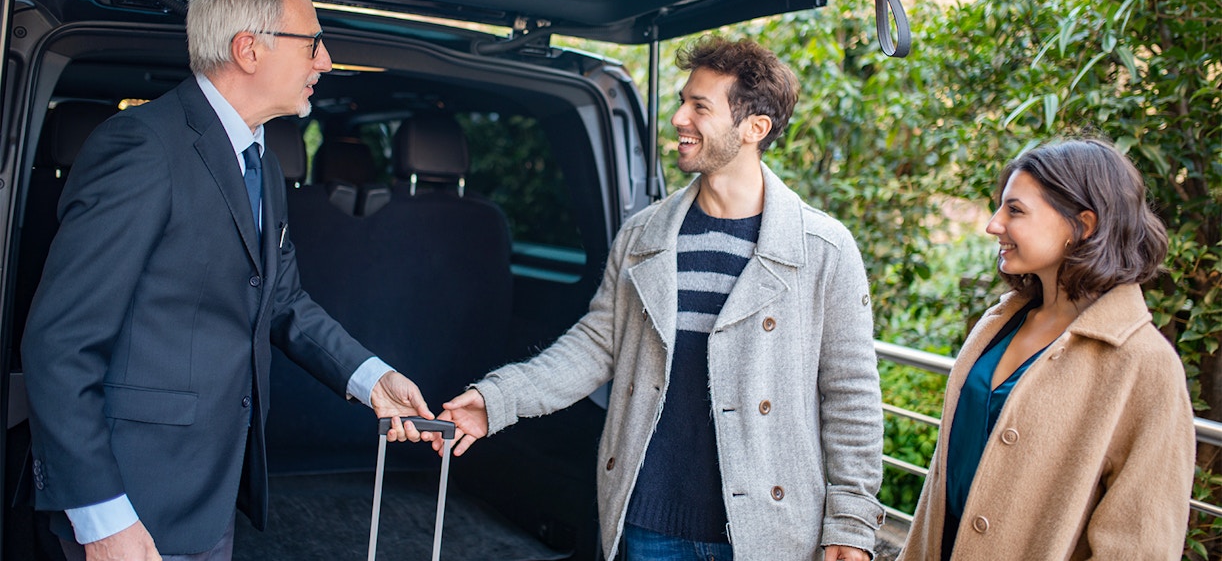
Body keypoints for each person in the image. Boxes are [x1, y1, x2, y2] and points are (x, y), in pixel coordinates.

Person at [21, 0, 434, 561]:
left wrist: (372, 381)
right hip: (132, 502)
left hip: (213, 492)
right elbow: (60, 342)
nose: (325, 60)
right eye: (314, 42)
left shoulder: (261, 157)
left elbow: (282, 299)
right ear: (249, 49)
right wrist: (100, 516)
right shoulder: (141, 148)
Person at [430, 35, 885, 560]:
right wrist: (497, 400)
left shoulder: (823, 249)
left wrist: (850, 525)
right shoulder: (643, 236)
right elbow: (595, 347)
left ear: (754, 128)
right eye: (682, 101)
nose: (678, 119)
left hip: (770, 533)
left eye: (700, 106)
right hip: (651, 525)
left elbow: (851, 395)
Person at [898, 138, 1195, 560]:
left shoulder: (1144, 364)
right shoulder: (998, 325)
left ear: (1083, 225)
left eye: (1015, 210)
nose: (993, 224)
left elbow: (1140, 544)